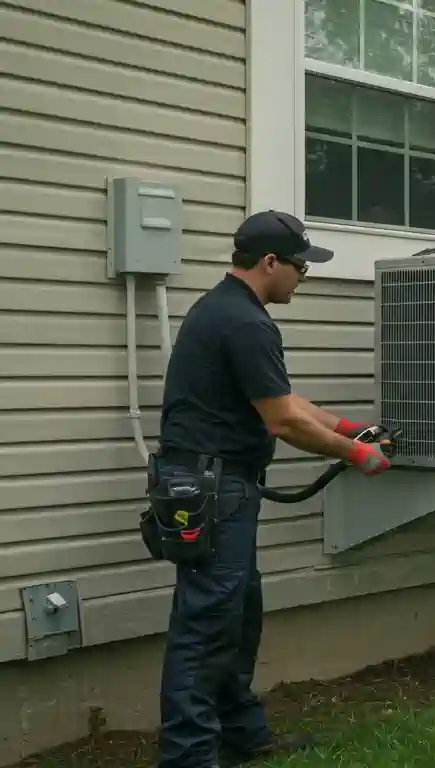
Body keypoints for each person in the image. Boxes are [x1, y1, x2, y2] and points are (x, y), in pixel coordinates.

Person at [152, 210, 394, 767]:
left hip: (215, 486)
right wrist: (358, 455)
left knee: (236, 617)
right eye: (300, 264)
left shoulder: (228, 310)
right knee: (209, 625)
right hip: (211, 488)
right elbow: (281, 422)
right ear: (269, 263)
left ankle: (241, 736)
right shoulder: (245, 323)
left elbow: (283, 401)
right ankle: (189, 757)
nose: (304, 275)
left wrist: (347, 427)